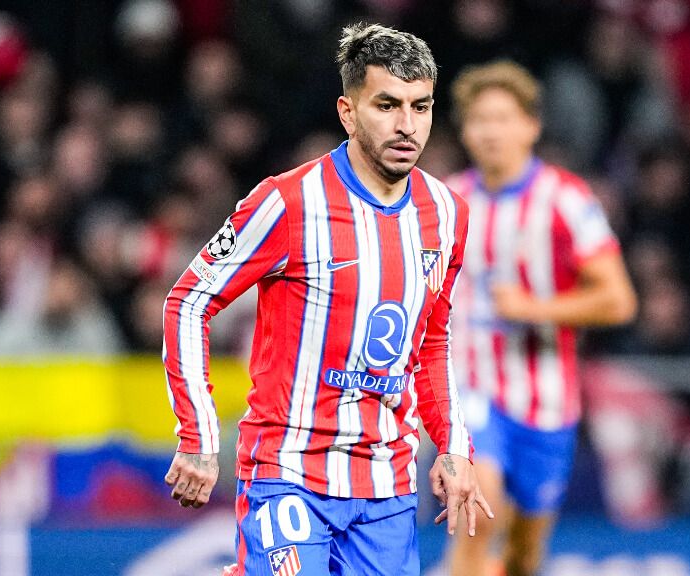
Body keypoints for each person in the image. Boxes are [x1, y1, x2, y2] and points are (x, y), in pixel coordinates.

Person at [161, 23, 493, 576]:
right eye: (387, 105)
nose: (407, 126)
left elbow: (431, 339)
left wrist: (455, 446)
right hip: (288, 475)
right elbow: (189, 301)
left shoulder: (448, 214)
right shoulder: (287, 202)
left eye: (421, 106)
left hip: (386, 485)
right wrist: (197, 434)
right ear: (347, 111)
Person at [443, 61, 637, 576]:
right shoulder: (445, 201)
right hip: (470, 389)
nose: (491, 131)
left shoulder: (566, 200)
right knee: (476, 513)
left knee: (523, 557)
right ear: (464, 129)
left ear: (530, 126)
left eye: (504, 118)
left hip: (547, 398)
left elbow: (618, 300)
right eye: (480, 119)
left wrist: (536, 310)